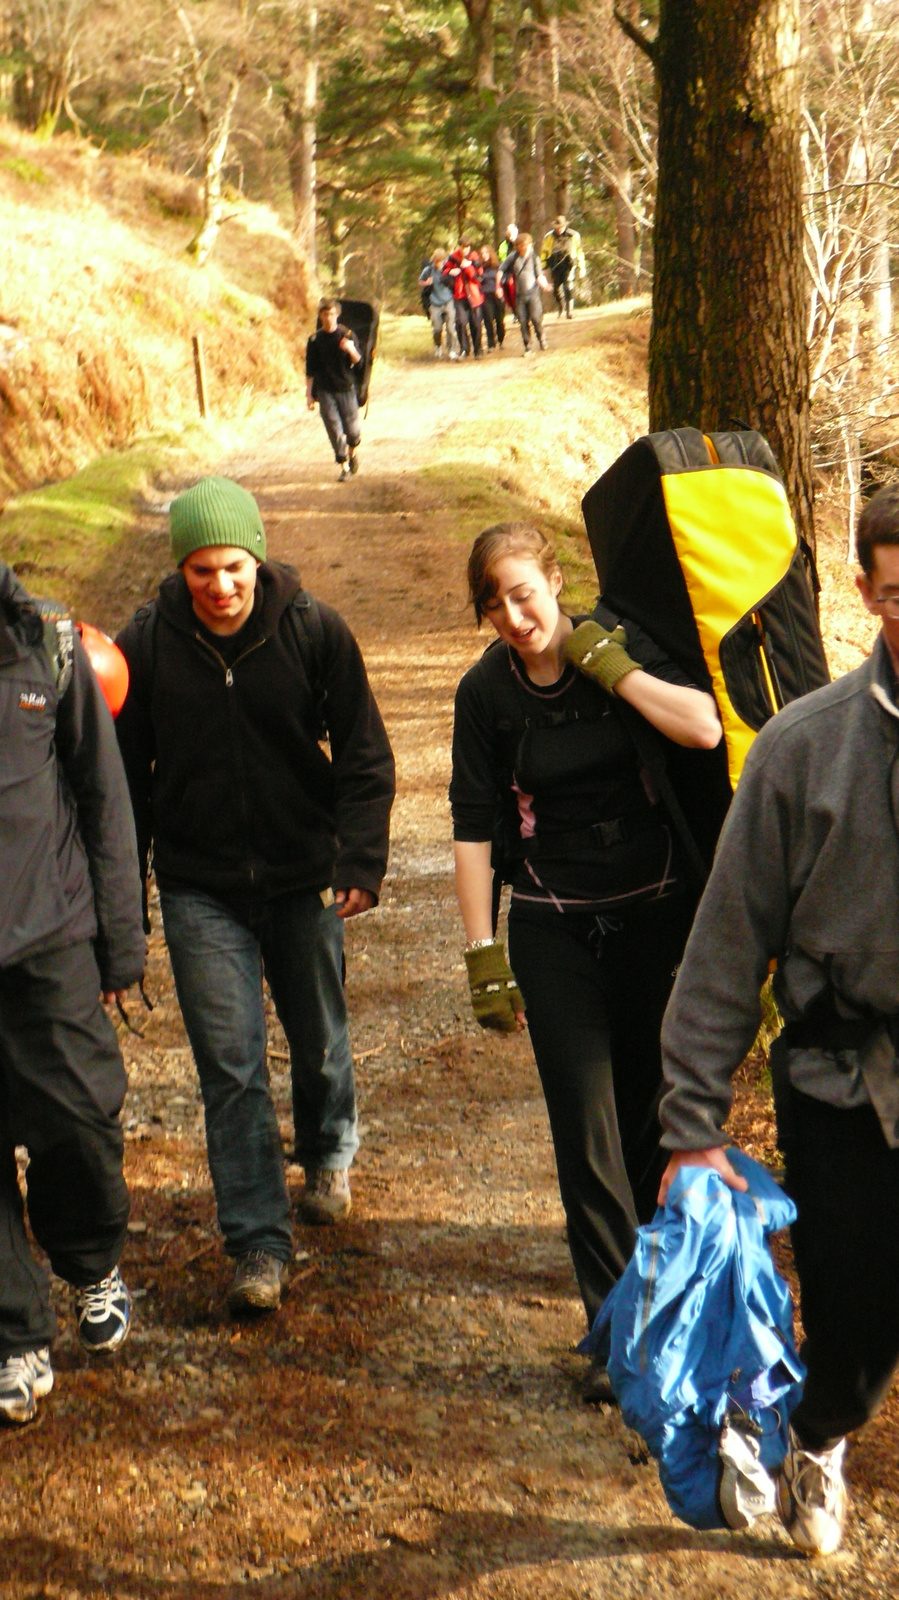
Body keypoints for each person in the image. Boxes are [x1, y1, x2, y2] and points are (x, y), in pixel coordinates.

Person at [656, 482, 899, 1557]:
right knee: (854, 1317)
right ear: (863, 593)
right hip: (841, 1083)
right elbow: (722, 947)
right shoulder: (802, 750)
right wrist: (691, 1124)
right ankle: (816, 1430)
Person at [449, 522, 722, 1401]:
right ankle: (615, 1329)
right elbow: (471, 826)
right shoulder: (485, 694)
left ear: (555, 580)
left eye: (523, 593)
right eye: (494, 603)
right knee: (586, 1127)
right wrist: (481, 953)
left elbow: (704, 731)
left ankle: (665, 1308)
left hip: (655, 915)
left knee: (648, 1120)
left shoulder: (617, 646)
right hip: (554, 926)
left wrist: (619, 673)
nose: (514, 615)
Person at [115, 477, 396, 1316]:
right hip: (201, 886)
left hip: (303, 875)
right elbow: (122, 784)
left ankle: (328, 1149)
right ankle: (256, 1245)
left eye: (232, 567)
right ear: (181, 571)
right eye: (200, 571)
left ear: (257, 558)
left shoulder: (313, 630)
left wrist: (358, 858)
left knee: (317, 1035)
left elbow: (363, 754)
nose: (219, 586)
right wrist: (124, 901)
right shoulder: (148, 644)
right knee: (230, 1067)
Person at [0, 563, 145, 1426]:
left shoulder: (45, 643)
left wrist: (120, 946)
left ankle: (90, 1263)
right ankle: (14, 1333)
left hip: (49, 941)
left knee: (82, 1124)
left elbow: (103, 798)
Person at [305, 298, 363, 481]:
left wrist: (350, 349)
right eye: (325, 314)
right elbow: (310, 370)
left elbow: (359, 363)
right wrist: (309, 395)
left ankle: (352, 452)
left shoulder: (347, 335)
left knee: (353, 432)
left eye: (331, 314)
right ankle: (344, 465)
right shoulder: (315, 340)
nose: (328, 318)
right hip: (325, 392)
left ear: (337, 315)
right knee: (334, 429)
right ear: (320, 316)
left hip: (346, 389)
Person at [500, 233, 548, 355]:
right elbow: (501, 270)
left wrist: (545, 285)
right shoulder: (513, 257)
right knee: (523, 321)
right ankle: (528, 346)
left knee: (536, 318)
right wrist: (498, 286)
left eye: (528, 244)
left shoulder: (534, 258)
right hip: (519, 295)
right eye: (523, 245)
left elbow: (539, 275)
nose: (526, 247)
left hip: (533, 293)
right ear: (518, 246)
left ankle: (541, 338)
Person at [443, 243, 484, 360]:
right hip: (459, 295)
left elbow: (479, 277)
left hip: (474, 296)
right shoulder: (453, 258)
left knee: (476, 324)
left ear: (469, 247)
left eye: (467, 247)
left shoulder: (475, 259)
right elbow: (444, 274)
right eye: (462, 247)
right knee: (460, 322)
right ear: (459, 247)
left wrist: (467, 267)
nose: (464, 250)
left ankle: (478, 350)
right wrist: (450, 272)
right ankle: (464, 349)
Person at [541, 215, 585, 319]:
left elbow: (579, 251)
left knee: (568, 286)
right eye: (557, 227)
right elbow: (544, 252)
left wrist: (581, 266)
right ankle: (561, 307)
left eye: (561, 227)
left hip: (569, 264)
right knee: (556, 289)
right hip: (555, 264)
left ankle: (569, 311)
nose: (559, 229)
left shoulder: (573, 235)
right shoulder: (549, 237)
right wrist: (543, 267)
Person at [419, 250, 458, 360]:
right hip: (435, 303)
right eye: (436, 262)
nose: (438, 264)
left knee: (451, 328)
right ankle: (438, 346)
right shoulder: (428, 270)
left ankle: (452, 350)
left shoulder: (448, 269)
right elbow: (420, 281)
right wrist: (426, 283)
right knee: (437, 328)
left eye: (441, 262)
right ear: (433, 260)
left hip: (448, 301)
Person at [479, 246, 506, 351]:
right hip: (485, 296)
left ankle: (501, 340)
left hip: (497, 294)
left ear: (490, 253)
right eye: (482, 253)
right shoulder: (480, 267)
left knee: (499, 319)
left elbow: (504, 278)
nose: (484, 255)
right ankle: (491, 343)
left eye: (486, 252)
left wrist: (500, 288)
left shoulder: (498, 266)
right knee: (488, 320)